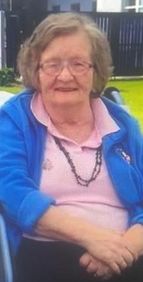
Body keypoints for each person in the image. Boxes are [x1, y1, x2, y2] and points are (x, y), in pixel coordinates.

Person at [0, 12, 143, 282]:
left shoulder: (122, 124)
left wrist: (125, 248)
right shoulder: (16, 118)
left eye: (78, 64)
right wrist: (93, 238)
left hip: (128, 251)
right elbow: (10, 188)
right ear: (36, 70)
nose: (65, 75)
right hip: (48, 251)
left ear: (95, 70)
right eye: (52, 65)